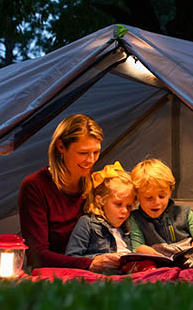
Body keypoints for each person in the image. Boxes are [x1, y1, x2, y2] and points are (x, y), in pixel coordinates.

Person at [18, 113, 121, 271]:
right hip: (53, 274)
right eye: (83, 153)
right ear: (61, 147)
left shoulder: (95, 184)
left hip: (95, 272)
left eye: (96, 152)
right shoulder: (35, 186)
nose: (91, 160)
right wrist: (89, 263)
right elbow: (37, 255)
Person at [128, 158, 193, 259]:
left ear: (170, 191)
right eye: (149, 198)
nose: (157, 203)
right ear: (137, 196)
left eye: (162, 196)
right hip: (158, 263)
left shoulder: (184, 214)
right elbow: (136, 248)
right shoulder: (135, 219)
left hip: (189, 258)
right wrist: (143, 250)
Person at [64, 161, 135, 262]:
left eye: (129, 206)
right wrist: (96, 260)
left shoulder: (126, 226)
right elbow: (72, 257)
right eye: (118, 204)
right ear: (100, 201)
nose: (124, 211)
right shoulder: (88, 223)